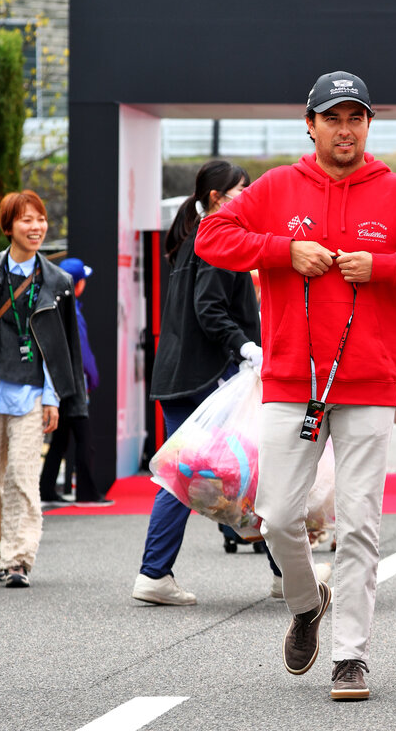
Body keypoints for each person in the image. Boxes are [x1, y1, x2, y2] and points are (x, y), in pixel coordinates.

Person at [195, 71, 396, 702]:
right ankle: (305, 602)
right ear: (311, 124)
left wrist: (386, 267)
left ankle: (351, 657)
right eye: (333, 118)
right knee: (275, 517)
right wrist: (283, 251)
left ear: (368, 125)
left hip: (371, 381)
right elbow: (213, 237)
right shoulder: (276, 187)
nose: (345, 129)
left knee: (360, 525)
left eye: (356, 118)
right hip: (293, 376)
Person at [131, 160, 266, 606]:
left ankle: (155, 573)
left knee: (189, 475)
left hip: (179, 375)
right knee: (236, 472)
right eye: (242, 190)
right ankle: (286, 571)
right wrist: (246, 348)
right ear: (217, 197)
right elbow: (211, 310)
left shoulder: (193, 237)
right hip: (206, 376)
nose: (249, 197)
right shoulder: (215, 239)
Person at [0, 190, 87, 588]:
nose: (36, 227)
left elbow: (63, 345)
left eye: (41, 219)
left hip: (33, 391)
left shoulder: (58, 281)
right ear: (9, 226)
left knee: (23, 476)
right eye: (26, 220)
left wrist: (55, 397)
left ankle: (18, 559)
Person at [39, 256, 111, 507]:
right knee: (84, 438)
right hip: (75, 384)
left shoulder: (53, 306)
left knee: (60, 440)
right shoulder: (74, 312)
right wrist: (93, 376)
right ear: (77, 285)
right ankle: (87, 494)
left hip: (58, 382)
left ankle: (47, 489)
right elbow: (83, 354)